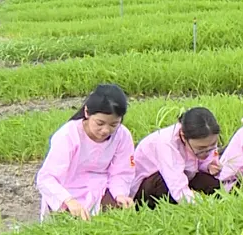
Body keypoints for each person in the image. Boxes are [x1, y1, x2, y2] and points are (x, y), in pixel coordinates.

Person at [36, 84, 135, 221]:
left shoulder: (122, 135)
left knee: (118, 216)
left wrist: (120, 194)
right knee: (69, 224)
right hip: (68, 190)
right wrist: (69, 200)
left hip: (101, 189)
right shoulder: (68, 135)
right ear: (87, 113)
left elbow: (122, 172)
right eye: (100, 123)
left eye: (113, 125)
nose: (106, 130)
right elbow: (46, 178)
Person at [130, 107, 223, 208]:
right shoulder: (166, 143)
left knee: (214, 185)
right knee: (165, 188)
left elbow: (201, 163)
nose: (207, 151)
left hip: (185, 175)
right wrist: (203, 204)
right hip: (150, 185)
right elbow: (176, 184)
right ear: (183, 137)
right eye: (201, 148)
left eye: (212, 145)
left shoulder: (203, 141)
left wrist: (208, 166)